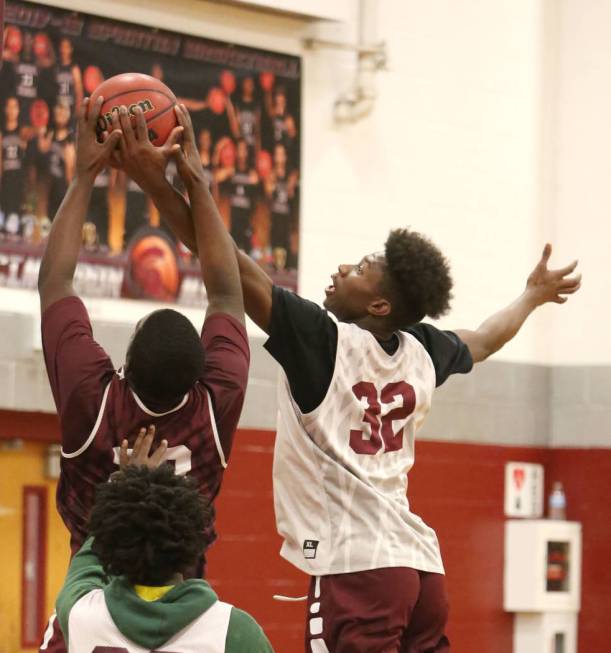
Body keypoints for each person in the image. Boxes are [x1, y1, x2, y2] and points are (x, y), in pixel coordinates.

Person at [125, 124, 582, 650]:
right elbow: (484, 339)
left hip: (357, 569)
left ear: (380, 306)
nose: (344, 268)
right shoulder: (424, 351)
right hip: (421, 571)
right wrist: (530, 296)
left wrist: (175, 184)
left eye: (362, 269)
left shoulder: (322, 340)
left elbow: (224, 262)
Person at [38, 99, 249, 653]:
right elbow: (228, 291)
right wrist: (196, 182)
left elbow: (56, 285)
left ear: (123, 366)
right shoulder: (213, 406)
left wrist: (85, 171)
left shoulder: (94, 398)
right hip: (191, 620)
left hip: (91, 605)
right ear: (201, 376)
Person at [56, 427, 274, 653]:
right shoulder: (235, 631)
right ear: (191, 542)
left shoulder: (79, 613)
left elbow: (89, 559)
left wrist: (123, 489)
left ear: (112, 541)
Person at [216, 137, 259, 253]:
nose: (241, 153)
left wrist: (255, 180)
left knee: (248, 255)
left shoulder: (252, 173)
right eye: (239, 149)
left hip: (247, 222)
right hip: (234, 222)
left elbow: (260, 187)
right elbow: (216, 177)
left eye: (243, 149)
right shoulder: (231, 170)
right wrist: (226, 170)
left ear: (247, 152)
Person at [0, 96, 26, 236]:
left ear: (18, 110)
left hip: (18, 181)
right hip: (5, 181)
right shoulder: (2, 133)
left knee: (13, 225)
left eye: (14, 106)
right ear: (5, 109)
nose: (11, 110)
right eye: (9, 106)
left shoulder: (23, 131)